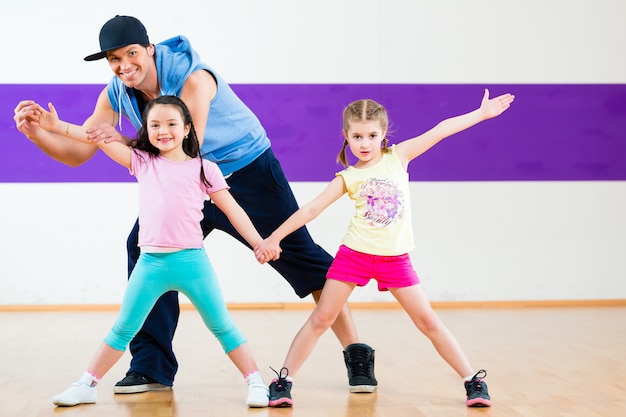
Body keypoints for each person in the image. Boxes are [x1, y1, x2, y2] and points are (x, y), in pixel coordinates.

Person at [13, 15, 377, 394]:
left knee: (300, 256)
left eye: (132, 54)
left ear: (149, 49)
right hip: (182, 182)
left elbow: (186, 151)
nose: (124, 65)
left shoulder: (194, 78)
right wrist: (42, 132)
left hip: (246, 172)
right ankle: (151, 368)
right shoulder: (116, 92)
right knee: (145, 249)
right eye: (114, 59)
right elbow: (78, 153)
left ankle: (356, 353)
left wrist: (103, 136)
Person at [254, 89, 515, 408]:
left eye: (372, 135)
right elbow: (310, 210)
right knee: (323, 317)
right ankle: (283, 381)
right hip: (354, 256)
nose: (364, 143)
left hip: (395, 260)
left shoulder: (399, 157)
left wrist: (481, 114)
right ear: (346, 137)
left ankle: (473, 381)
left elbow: (441, 129)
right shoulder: (348, 177)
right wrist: (273, 238)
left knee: (428, 321)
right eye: (357, 136)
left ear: (383, 135)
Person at [50, 95, 276, 407]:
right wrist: (57, 126)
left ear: (186, 129)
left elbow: (234, 210)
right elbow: (97, 137)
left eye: (171, 123)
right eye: (154, 124)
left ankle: (256, 382)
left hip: (192, 263)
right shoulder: (142, 161)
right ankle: (86, 383)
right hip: (150, 264)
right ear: (146, 130)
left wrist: (258, 243)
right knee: (123, 329)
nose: (162, 130)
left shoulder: (205, 169)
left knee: (222, 326)